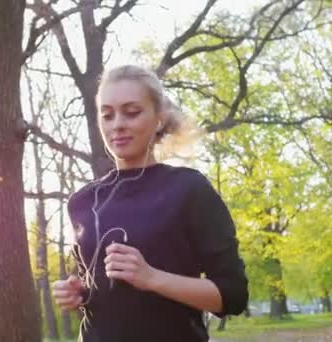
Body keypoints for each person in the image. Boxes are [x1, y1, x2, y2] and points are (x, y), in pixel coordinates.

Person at [52, 65, 248, 342]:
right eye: (107, 115)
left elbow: (233, 296)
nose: (117, 124)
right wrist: (79, 293)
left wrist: (151, 278)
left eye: (131, 112)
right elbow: (101, 288)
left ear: (158, 119)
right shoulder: (83, 201)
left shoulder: (188, 189)